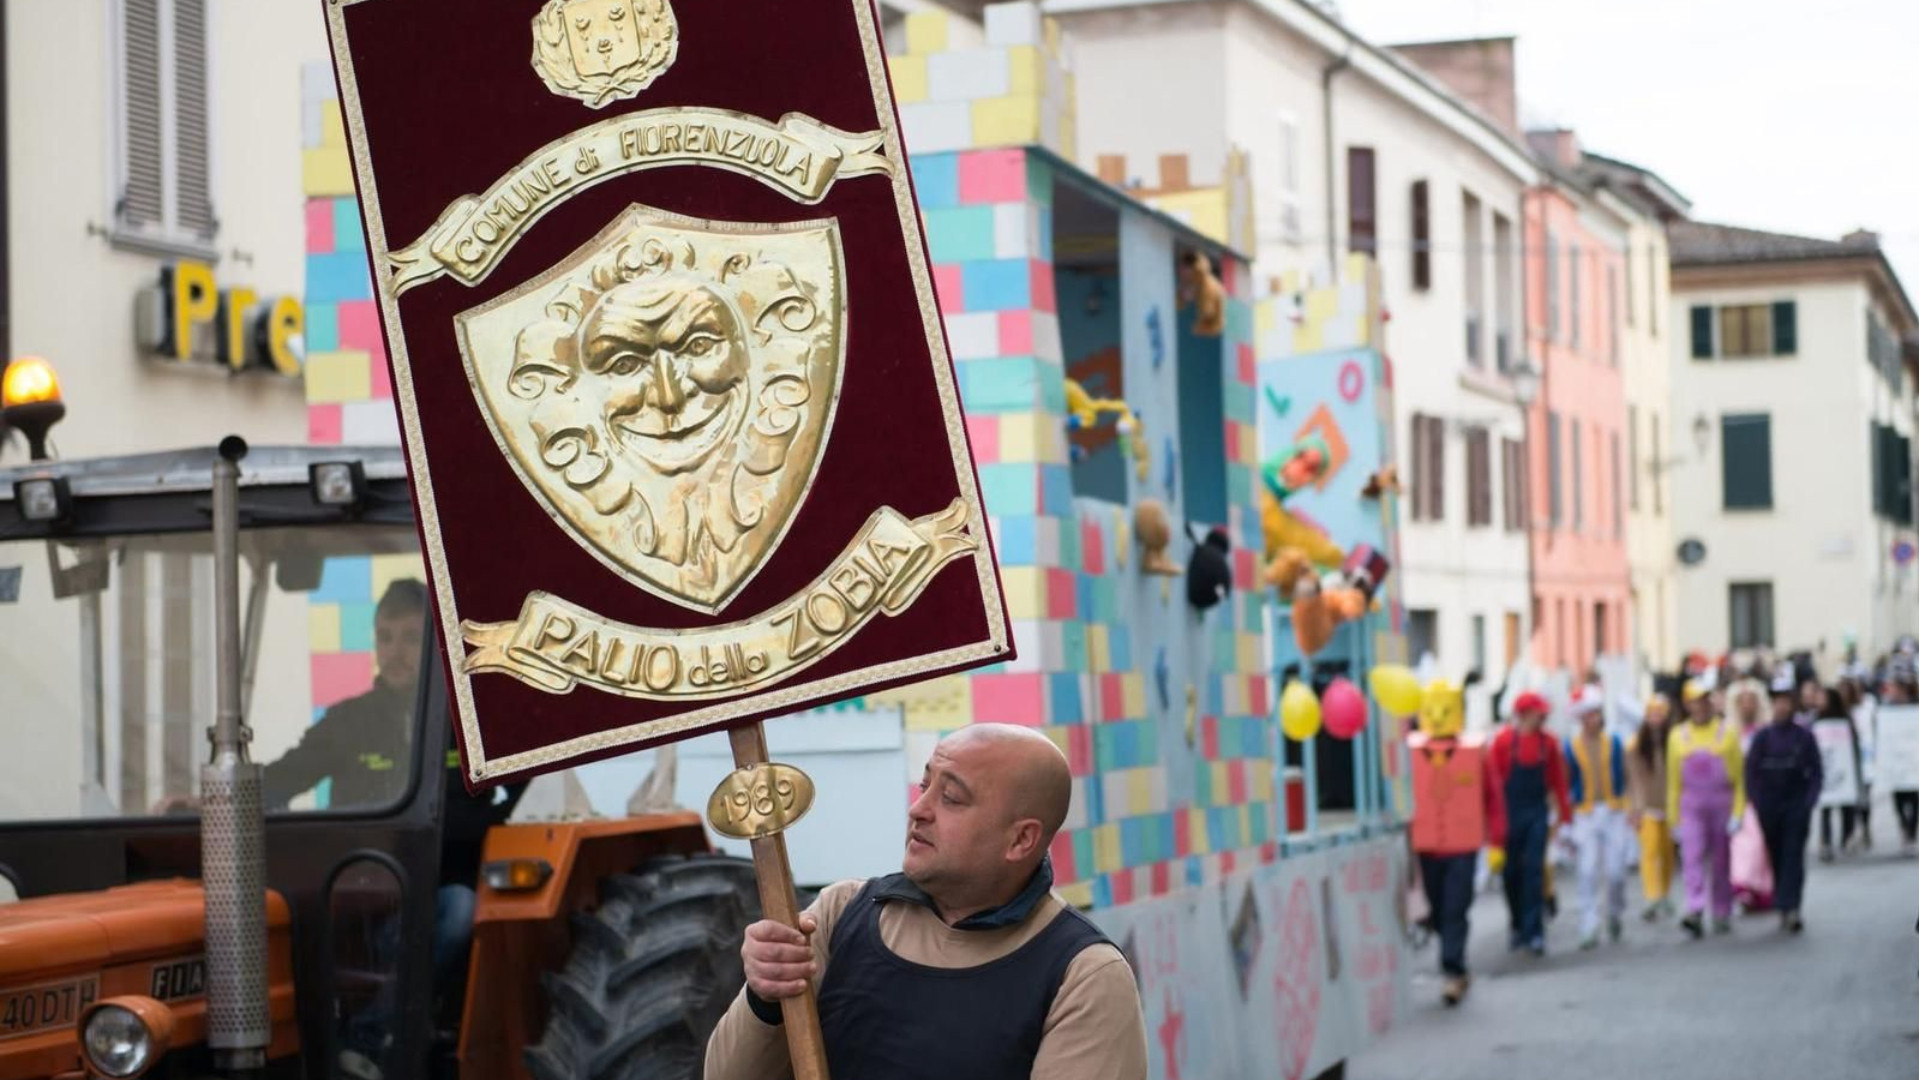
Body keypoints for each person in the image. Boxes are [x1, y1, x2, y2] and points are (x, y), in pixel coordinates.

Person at [705, 724, 1147, 1080]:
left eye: (951, 797)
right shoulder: (839, 914)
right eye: (925, 785)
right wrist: (765, 995)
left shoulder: (1083, 974)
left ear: (1021, 839)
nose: (919, 809)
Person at [265, 579, 429, 811]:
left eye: (411, 638)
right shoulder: (346, 721)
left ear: (435, 643)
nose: (395, 652)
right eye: (385, 638)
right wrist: (222, 801)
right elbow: (280, 780)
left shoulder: (464, 725)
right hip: (365, 847)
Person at [1407, 678, 1505, 1005]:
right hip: (1427, 846)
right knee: (1436, 908)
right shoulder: (1412, 753)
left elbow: (1493, 798)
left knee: (1455, 906)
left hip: (1463, 846)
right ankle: (1453, 960)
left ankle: (1453, 969)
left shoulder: (1476, 753)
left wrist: (1497, 843)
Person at [1488, 692, 1573, 956]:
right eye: (1539, 712)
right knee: (1511, 873)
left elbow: (1558, 781)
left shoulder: (1548, 744)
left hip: (1536, 812)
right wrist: (1492, 826)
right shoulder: (1502, 743)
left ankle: (1534, 931)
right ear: (1524, 714)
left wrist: (1565, 818)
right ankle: (1516, 925)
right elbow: (1493, 786)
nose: (1544, 716)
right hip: (1509, 814)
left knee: (1533, 871)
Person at [1668, 680, 1746, 939]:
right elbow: (1673, 782)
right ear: (1687, 705)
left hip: (1721, 804)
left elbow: (1739, 779)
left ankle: (1722, 909)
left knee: (1721, 861)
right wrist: (1673, 819)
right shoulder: (1678, 736)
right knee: (1692, 857)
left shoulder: (1728, 733)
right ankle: (1695, 908)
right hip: (1691, 806)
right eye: (1694, 702)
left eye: (1704, 701)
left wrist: (1738, 812)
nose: (1700, 707)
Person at [1747, 675, 1824, 933]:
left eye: (1785, 701)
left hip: (1795, 804)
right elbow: (1752, 772)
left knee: (1793, 855)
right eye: (1777, 702)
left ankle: (1791, 906)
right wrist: (1758, 802)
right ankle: (1782, 901)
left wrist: (1808, 802)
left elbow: (1815, 771)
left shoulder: (1803, 736)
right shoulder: (1763, 738)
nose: (1781, 707)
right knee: (1777, 855)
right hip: (1770, 807)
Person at [1564, 687, 1630, 948]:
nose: (1595, 719)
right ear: (1581, 718)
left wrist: (1632, 806)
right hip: (1585, 814)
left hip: (1614, 811)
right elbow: (1564, 783)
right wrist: (1564, 821)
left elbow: (1627, 774)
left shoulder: (1614, 742)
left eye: (1598, 714)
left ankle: (1614, 912)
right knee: (1587, 870)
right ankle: (1588, 923)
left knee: (1616, 871)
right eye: (1590, 715)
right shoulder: (1570, 746)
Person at [1627, 691, 1677, 921]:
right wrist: (1635, 808)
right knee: (1650, 850)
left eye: (1660, 715)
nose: (1656, 719)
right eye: (1652, 715)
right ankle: (1651, 896)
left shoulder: (1675, 741)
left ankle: (1665, 893)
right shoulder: (1636, 745)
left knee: (1667, 852)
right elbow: (1633, 779)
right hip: (1646, 806)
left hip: (1669, 806)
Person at [1728, 677, 1776, 911]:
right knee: (1744, 842)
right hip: (1740, 797)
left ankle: (1761, 889)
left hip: (1764, 795)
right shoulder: (1729, 733)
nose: (1747, 705)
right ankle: (1744, 885)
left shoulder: (1766, 731)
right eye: (1742, 701)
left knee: (1763, 845)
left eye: (1751, 701)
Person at [1815, 685, 1866, 862]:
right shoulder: (1816, 719)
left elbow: (1854, 745)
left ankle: (1846, 836)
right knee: (1826, 808)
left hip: (1844, 769)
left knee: (1846, 807)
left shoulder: (1845, 720)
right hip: (1826, 769)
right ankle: (1826, 842)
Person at [1881, 662, 1919, 854]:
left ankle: (1912, 831)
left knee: (1914, 797)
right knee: (1898, 797)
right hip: (1896, 760)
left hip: (1912, 759)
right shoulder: (1888, 708)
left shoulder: (1915, 705)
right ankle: (1904, 828)